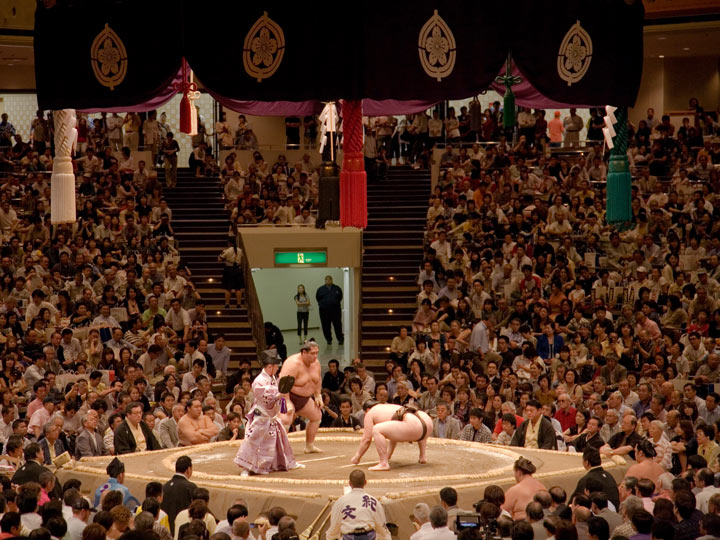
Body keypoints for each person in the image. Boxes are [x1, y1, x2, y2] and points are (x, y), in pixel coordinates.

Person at [234, 351, 302, 475]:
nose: (277, 369)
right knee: (253, 440)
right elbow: (262, 395)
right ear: (270, 366)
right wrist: (278, 394)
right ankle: (246, 468)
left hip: (271, 415)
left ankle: (284, 463)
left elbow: (279, 394)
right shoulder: (259, 380)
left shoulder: (272, 379)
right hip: (261, 414)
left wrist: (282, 406)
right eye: (276, 366)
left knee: (279, 439)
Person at [350, 402, 433, 471]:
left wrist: (357, 457)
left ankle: (383, 463)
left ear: (367, 410)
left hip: (413, 426)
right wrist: (388, 454)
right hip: (427, 423)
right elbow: (394, 432)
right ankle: (423, 456)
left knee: (376, 429)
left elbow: (366, 439)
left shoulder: (370, 413)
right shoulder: (387, 407)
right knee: (412, 423)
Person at [279, 340, 323, 454]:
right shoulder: (293, 363)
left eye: (316, 353)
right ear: (304, 352)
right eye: (312, 353)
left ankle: (309, 446)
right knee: (285, 419)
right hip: (285, 397)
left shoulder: (316, 363)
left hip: (303, 398)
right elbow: (283, 384)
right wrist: (287, 401)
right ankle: (280, 450)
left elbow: (317, 380)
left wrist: (318, 395)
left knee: (317, 416)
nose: (315, 356)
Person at [326, 470, 391, 540]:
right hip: (369, 537)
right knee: (384, 535)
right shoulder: (373, 501)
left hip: (349, 537)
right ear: (365, 482)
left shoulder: (340, 502)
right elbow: (382, 528)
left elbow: (333, 530)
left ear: (350, 483)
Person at [162, 455, 197, 534]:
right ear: (188, 469)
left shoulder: (165, 486)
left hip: (166, 530)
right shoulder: (190, 487)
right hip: (183, 531)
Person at [316, 276, 344, 345]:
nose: (328, 280)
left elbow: (340, 297)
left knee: (337, 325)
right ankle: (328, 339)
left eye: (329, 279)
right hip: (324, 311)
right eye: (326, 279)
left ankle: (340, 339)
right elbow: (318, 298)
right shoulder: (320, 289)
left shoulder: (337, 288)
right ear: (325, 280)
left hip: (335, 310)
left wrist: (335, 302)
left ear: (332, 280)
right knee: (325, 325)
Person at [218, 239, 244, 309]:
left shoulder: (227, 251)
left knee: (228, 288)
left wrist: (221, 253)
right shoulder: (240, 250)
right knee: (238, 288)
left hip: (229, 269)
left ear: (229, 243)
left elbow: (219, 260)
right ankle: (239, 303)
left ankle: (227, 304)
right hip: (238, 269)